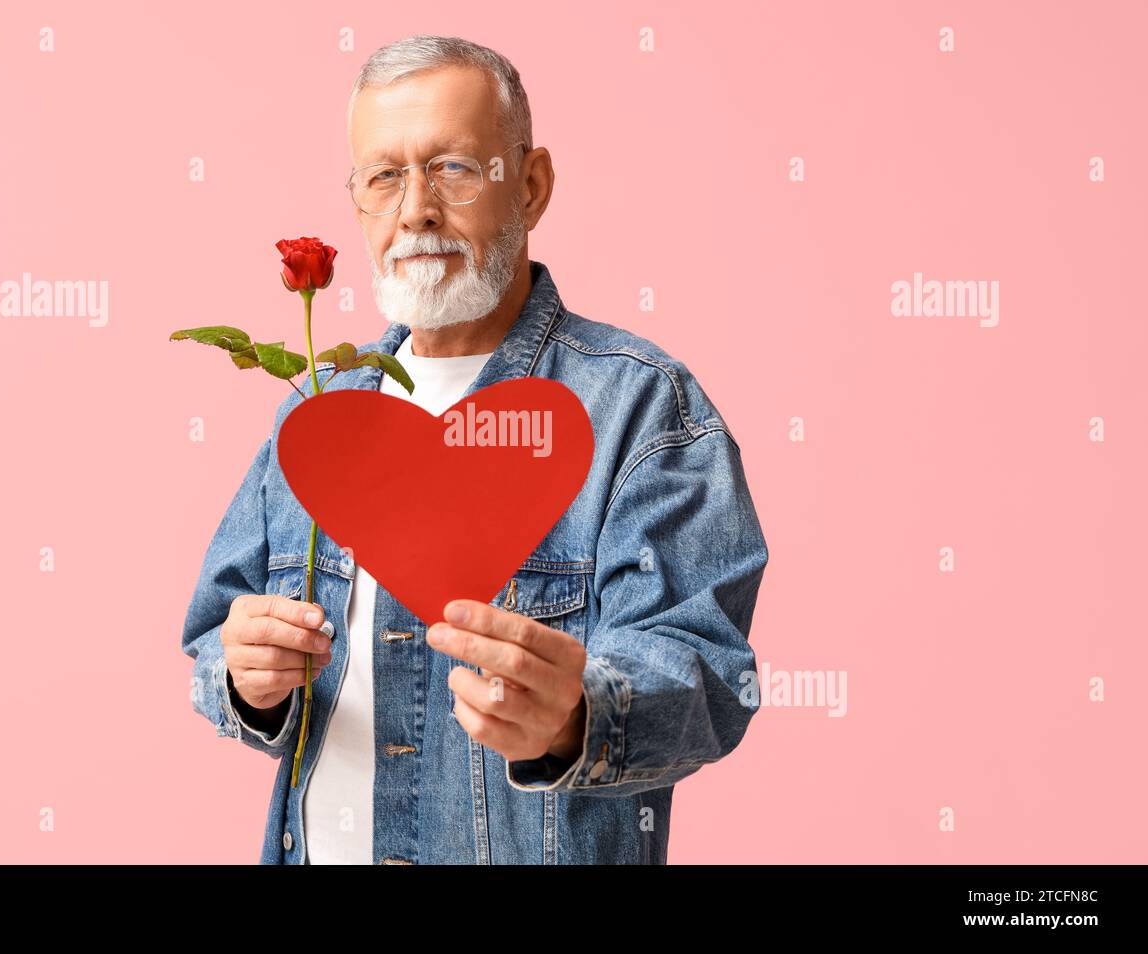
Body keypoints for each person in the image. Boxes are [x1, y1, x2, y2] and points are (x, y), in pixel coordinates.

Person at [181, 34, 769, 865]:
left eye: (453, 169)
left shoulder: (642, 407)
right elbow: (215, 638)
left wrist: (576, 715)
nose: (415, 209)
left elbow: (711, 677)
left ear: (530, 187)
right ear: (358, 203)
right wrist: (247, 680)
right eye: (385, 176)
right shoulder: (318, 413)